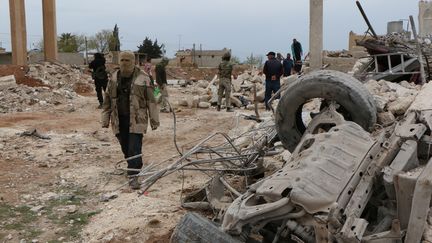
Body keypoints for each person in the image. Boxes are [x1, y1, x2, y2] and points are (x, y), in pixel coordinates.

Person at [101, 51, 159, 190]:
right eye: (122, 60)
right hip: (118, 119)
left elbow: (152, 100)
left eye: (127, 60)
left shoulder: (144, 78)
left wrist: (154, 120)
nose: (124, 63)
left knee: (134, 147)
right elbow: (107, 100)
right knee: (125, 147)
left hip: (137, 119)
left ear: (134, 62)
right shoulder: (113, 78)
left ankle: (133, 174)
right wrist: (105, 119)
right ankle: (133, 165)